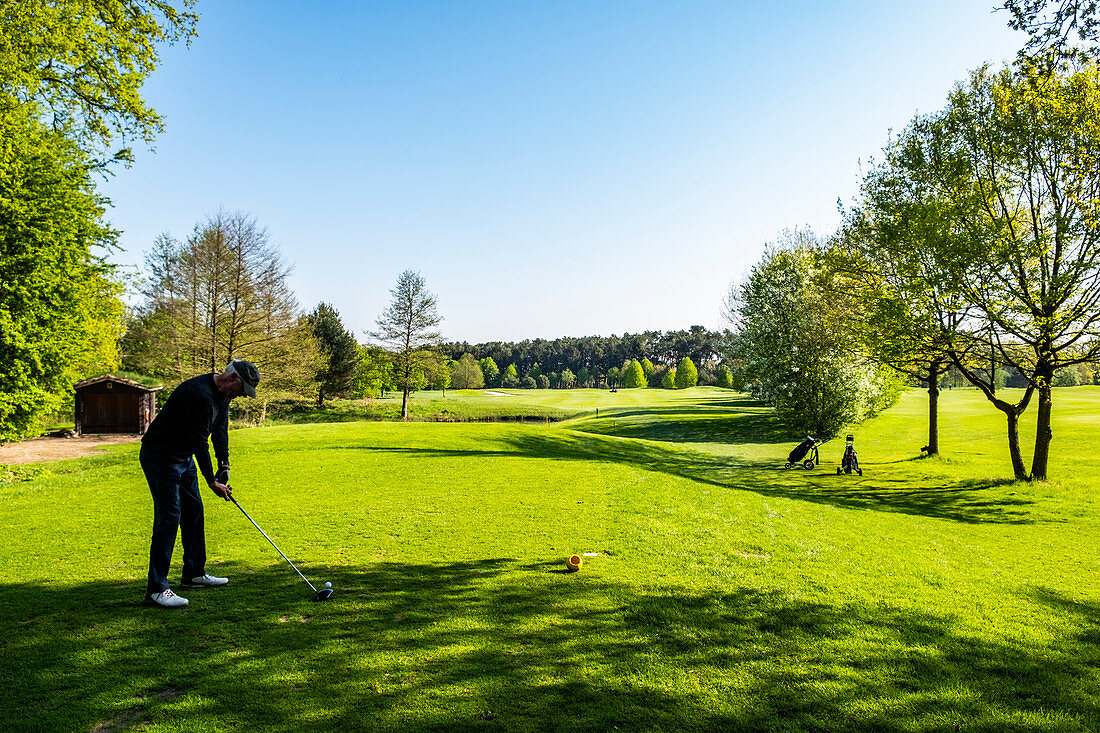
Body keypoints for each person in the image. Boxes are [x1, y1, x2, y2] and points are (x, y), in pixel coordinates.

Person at [139, 360, 260, 608]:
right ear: (233, 379)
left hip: (183, 458)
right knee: (170, 517)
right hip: (160, 457)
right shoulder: (199, 395)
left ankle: (194, 574)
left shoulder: (223, 396)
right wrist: (211, 481)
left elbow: (220, 429)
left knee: (194, 511)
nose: (241, 396)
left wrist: (224, 465)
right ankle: (157, 588)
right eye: (242, 389)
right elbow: (200, 443)